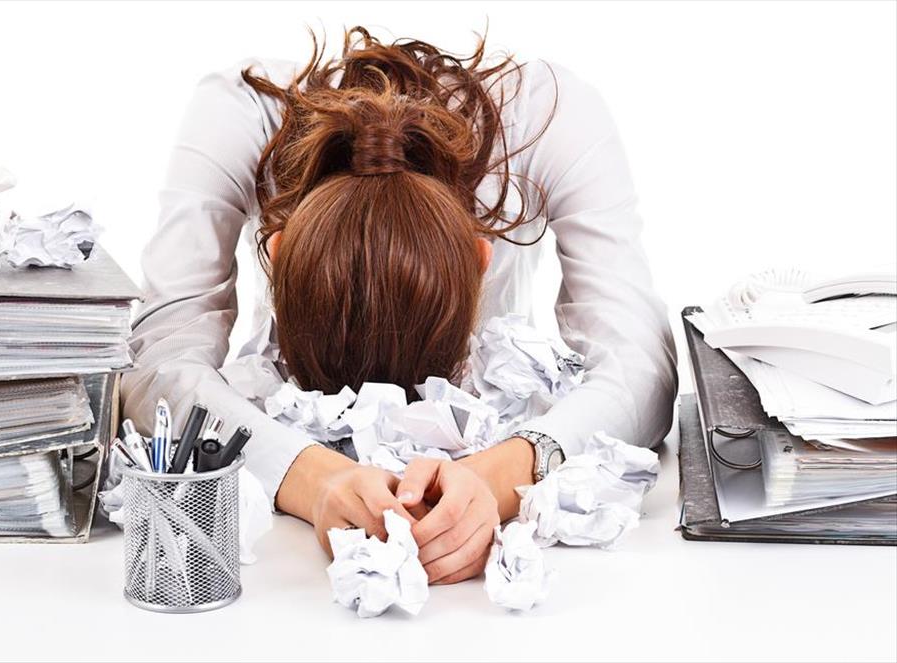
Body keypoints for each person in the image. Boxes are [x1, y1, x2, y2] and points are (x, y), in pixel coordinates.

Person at [121, 27, 677, 585]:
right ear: (280, 250)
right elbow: (158, 361)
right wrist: (311, 476)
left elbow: (643, 366)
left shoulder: (547, 120)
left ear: (480, 262)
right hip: (297, 430)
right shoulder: (242, 114)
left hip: (483, 435)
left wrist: (499, 473)